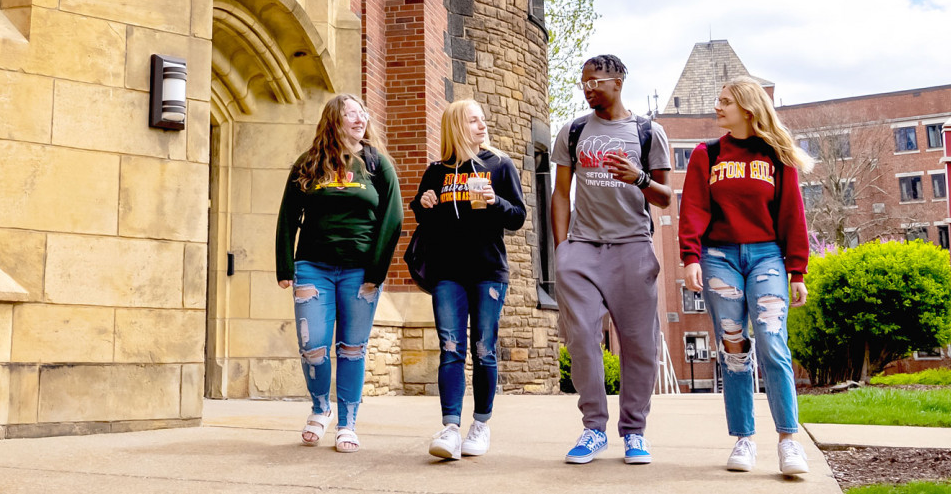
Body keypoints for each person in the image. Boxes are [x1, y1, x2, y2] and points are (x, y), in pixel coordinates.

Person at [677, 76, 813, 475]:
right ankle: (744, 440)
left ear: (748, 108)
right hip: (719, 258)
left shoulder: (776, 155)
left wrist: (797, 269)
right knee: (734, 348)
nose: (717, 108)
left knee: (773, 343)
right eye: (717, 101)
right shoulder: (708, 154)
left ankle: (789, 441)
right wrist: (691, 257)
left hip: (767, 257)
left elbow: (792, 213)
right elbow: (694, 210)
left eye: (724, 102)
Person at [551, 55, 673, 465]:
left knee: (639, 344)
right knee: (582, 336)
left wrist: (637, 178)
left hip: (632, 248)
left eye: (595, 81)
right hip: (583, 249)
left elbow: (665, 196)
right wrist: (561, 248)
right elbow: (560, 193)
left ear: (618, 81)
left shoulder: (647, 132)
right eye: (583, 82)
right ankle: (592, 428)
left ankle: (634, 431)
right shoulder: (573, 132)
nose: (587, 88)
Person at [275, 93, 402, 453]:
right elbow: (288, 216)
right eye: (350, 114)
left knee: (351, 349)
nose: (359, 119)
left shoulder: (377, 164)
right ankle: (320, 408)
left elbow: (393, 218)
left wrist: (377, 269)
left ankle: (347, 422)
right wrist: (285, 264)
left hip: (360, 271)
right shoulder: (310, 164)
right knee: (313, 345)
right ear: (334, 120)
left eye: (362, 113)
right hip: (312, 267)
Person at [411, 100, 527, 460]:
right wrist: (423, 203)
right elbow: (424, 217)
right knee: (450, 348)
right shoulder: (437, 171)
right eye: (473, 120)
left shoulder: (499, 165)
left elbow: (518, 217)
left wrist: (495, 202)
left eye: (482, 119)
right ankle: (449, 429)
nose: (482, 125)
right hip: (447, 273)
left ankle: (480, 424)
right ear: (456, 126)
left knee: (483, 349)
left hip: (488, 271)